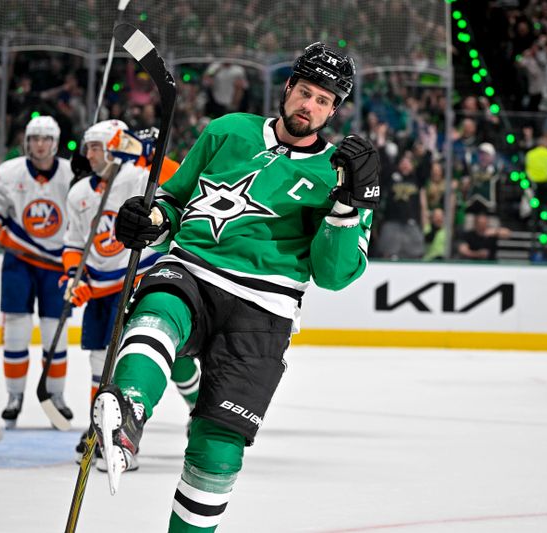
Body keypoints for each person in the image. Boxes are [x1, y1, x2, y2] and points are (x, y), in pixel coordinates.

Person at [95, 42, 379, 531]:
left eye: (323, 101)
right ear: (287, 89)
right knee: (159, 309)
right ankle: (127, 411)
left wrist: (346, 209)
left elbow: (333, 275)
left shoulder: (341, 173)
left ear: (334, 110)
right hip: (194, 267)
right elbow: (173, 200)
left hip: (265, 307)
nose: (309, 106)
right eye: (304, 92)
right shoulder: (228, 131)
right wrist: (149, 218)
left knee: (218, 450)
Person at [63, 120, 201, 465]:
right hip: (99, 288)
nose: (89, 154)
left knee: (164, 354)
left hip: (137, 279)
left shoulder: (136, 178)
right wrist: (73, 279)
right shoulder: (78, 193)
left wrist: (151, 155)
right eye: (88, 148)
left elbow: (178, 184)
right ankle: (105, 427)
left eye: (97, 148)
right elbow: (73, 244)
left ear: (113, 149)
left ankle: (197, 406)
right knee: (99, 360)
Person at [0, 115, 74, 428]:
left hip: (57, 265)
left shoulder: (72, 173)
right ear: (26, 142)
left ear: (55, 142)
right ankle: (15, 396)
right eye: (35, 138)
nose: (40, 144)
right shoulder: (9, 173)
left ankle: (56, 396)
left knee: (55, 335)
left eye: (46, 139)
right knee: (16, 333)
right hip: (19, 261)